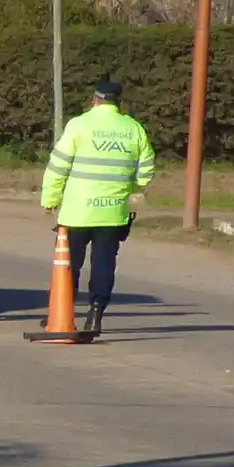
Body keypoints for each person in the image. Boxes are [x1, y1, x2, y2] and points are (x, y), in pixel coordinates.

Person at [40, 79, 156, 334]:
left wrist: (49, 199)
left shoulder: (79, 125)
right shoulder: (133, 128)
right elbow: (146, 171)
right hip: (113, 212)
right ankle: (96, 313)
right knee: (104, 263)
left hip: (77, 212)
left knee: (68, 263)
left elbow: (58, 166)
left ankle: (62, 311)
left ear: (95, 99)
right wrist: (131, 184)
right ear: (118, 102)